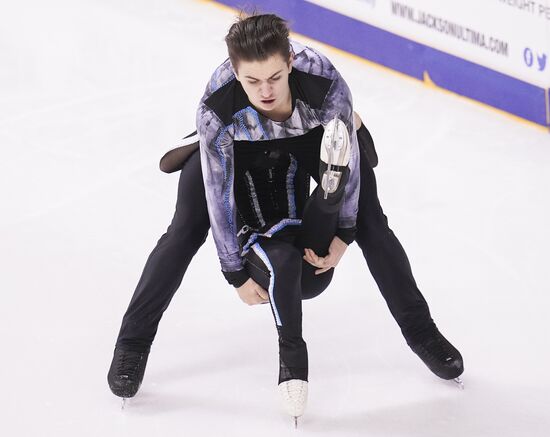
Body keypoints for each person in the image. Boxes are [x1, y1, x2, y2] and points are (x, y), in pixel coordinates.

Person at [108, 14, 464, 418]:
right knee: (184, 230)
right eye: (253, 81)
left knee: (372, 222)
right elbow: (218, 196)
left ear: (291, 60)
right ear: (235, 73)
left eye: (275, 77)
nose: (265, 90)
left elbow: (350, 167)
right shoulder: (216, 107)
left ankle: (422, 332)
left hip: (312, 140)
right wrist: (235, 273)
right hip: (237, 152)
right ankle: (132, 343)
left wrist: (345, 233)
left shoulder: (325, 84)